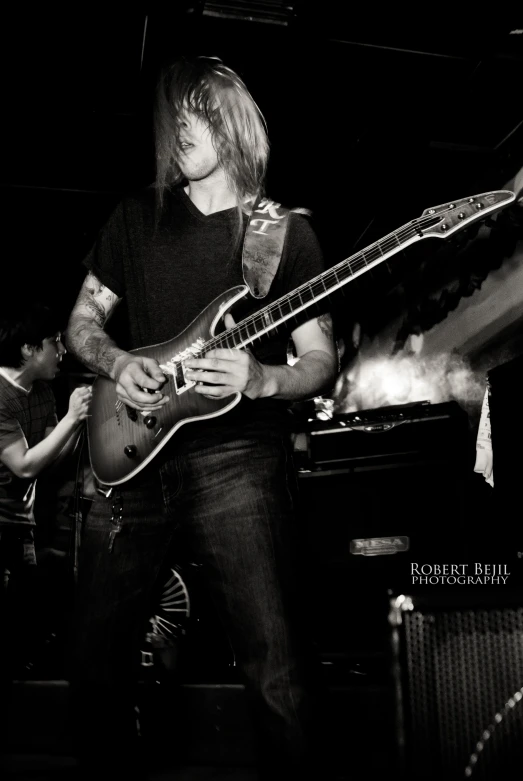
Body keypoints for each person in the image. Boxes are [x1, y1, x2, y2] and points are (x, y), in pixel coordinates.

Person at [65, 55, 338, 780]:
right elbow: (81, 325)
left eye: (192, 114)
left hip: (238, 460)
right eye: (171, 119)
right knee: (94, 661)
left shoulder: (282, 234)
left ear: (227, 117)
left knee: (274, 666)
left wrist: (262, 376)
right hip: (129, 452)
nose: (177, 131)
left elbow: (318, 358)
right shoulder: (135, 218)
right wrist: (119, 363)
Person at [0, 302, 91, 765]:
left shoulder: (41, 391)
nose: (61, 350)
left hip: (23, 524)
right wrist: (74, 420)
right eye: (54, 342)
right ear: (29, 348)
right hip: (0, 525)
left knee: (26, 619)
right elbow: (23, 463)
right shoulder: (0, 394)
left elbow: (52, 457)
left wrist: (83, 421)